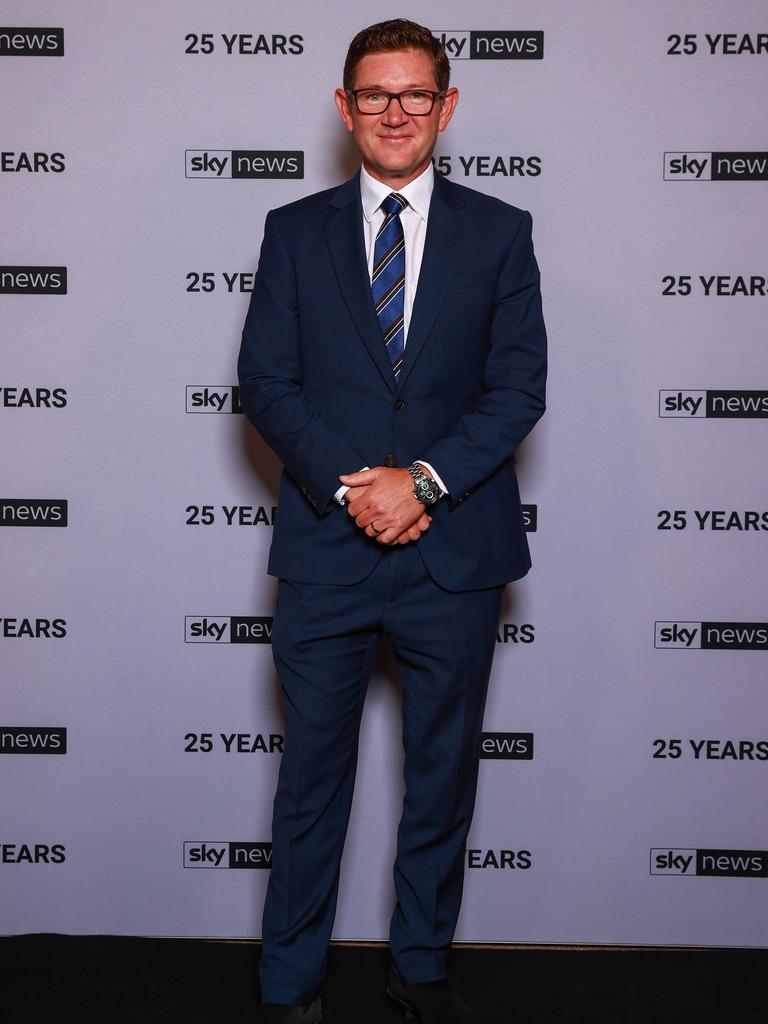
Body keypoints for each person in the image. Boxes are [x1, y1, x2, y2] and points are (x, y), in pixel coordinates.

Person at [237, 18, 547, 1024]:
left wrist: (418, 483)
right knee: (310, 784)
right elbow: (269, 386)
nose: (397, 113)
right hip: (329, 551)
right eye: (377, 94)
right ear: (345, 107)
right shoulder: (293, 230)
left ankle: (418, 970)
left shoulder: (502, 232)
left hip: (454, 552)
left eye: (417, 94)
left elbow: (517, 390)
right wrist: (356, 485)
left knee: (441, 780)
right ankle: (289, 986)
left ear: (447, 107)